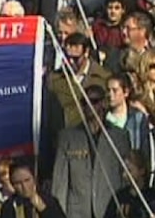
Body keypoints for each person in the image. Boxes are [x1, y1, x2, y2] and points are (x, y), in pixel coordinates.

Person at [52, 85, 131, 218]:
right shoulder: (68, 137)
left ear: (103, 103)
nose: (88, 106)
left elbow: (126, 175)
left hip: (110, 209)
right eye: (84, 102)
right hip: (77, 212)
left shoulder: (119, 137)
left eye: (94, 101)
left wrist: (127, 203)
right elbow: (60, 181)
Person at [0, 160, 65, 218]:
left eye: (27, 180)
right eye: (18, 183)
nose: (24, 186)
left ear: (34, 179)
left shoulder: (49, 201)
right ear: (12, 184)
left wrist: (43, 209)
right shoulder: (9, 207)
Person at [103, 151, 155, 218]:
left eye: (129, 170)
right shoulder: (119, 197)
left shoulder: (153, 198)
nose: (124, 175)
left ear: (142, 170)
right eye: (123, 170)